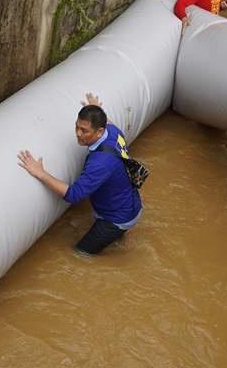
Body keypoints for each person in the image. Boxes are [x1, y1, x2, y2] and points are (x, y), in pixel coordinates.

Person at [17, 93, 142, 255]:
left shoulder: (100, 163)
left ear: (99, 132)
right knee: (112, 236)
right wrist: (96, 110)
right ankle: (117, 238)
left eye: (84, 130)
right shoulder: (113, 132)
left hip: (116, 219)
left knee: (80, 254)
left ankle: (114, 237)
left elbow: (74, 195)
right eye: (77, 127)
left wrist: (41, 173)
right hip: (131, 203)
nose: (78, 133)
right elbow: (107, 123)